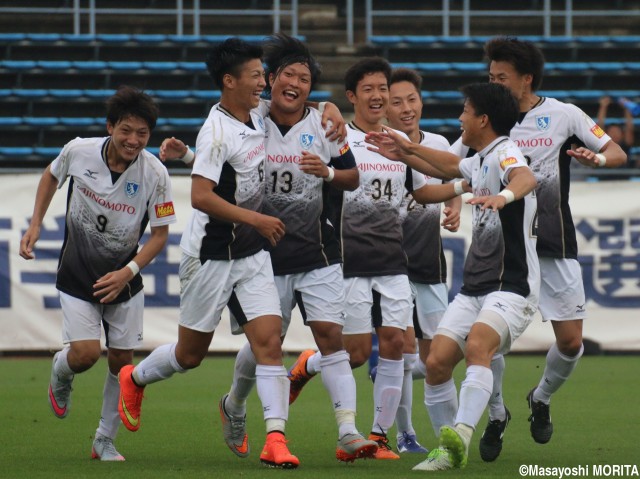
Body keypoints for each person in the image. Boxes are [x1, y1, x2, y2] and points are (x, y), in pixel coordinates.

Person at [116, 38, 301, 469]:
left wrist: (329, 111)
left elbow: (235, 169)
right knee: (190, 356)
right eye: (256, 75)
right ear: (229, 81)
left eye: (263, 73)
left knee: (270, 343)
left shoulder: (255, 114)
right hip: (211, 255)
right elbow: (201, 196)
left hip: (251, 254)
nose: (264, 82)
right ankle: (136, 376)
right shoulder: (216, 130)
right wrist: (256, 219)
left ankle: (275, 439)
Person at [215, 33, 378, 463]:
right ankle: (234, 403)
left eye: (304, 79)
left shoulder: (326, 124)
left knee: (331, 339)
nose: (296, 83)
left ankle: (348, 432)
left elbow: (352, 177)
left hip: (318, 251)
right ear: (269, 80)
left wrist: (326, 171)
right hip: (260, 256)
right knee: (263, 345)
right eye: (288, 74)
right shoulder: (252, 116)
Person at [288, 57, 457, 460]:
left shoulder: (400, 142)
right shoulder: (339, 138)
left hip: (393, 259)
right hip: (348, 261)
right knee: (358, 352)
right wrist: (321, 109)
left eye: (383, 88)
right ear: (352, 97)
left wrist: (460, 189)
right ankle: (308, 365)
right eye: (369, 89)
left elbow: (420, 191)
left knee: (397, 343)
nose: (379, 96)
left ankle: (379, 437)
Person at [366, 81, 540, 471]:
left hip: (512, 285)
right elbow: (444, 166)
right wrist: (406, 150)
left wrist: (504, 196)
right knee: (438, 363)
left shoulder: (506, 151)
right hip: (476, 286)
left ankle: (460, 433)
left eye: (465, 110)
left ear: (482, 119)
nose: (459, 117)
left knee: (479, 346)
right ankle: (448, 450)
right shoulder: (480, 158)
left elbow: (526, 178)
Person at [482, 37, 627, 450]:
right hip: (503, 249)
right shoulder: (486, 119)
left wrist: (596, 159)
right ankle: (496, 414)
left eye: (501, 77)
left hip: (553, 242)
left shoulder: (563, 115)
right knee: (484, 339)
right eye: (490, 76)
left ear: (526, 79)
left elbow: (614, 151)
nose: (493, 83)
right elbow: (455, 162)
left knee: (570, 343)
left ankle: (539, 398)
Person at [19, 86, 176, 462]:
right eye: (126, 130)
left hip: (124, 278)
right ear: (110, 127)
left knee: (123, 365)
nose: (134, 140)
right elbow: (51, 175)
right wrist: (36, 223)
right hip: (78, 272)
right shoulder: (78, 150)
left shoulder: (156, 173)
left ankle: (104, 440)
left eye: (142, 134)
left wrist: (128, 271)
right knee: (86, 355)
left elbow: (160, 235)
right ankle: (61, 369)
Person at [373, 67, 461, 454]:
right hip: (389, 263)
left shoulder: (439, 142)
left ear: (421, 102)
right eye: (396, 102)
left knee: (438, 356)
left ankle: (385, 373)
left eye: (411, 99)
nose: (406, 108)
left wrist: (454, 205)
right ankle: (406, 434)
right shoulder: (374, 146)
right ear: (383, 108)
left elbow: (453, 175)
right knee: (406, 352)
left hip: (429, 264)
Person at [597, 95, 634, 166]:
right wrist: (603, 106)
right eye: (612, 132)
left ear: (622, 135)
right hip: (604, 175)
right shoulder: (604, 145)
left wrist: (627, 107)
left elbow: (629, 128)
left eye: (617, 132)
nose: (614, 134)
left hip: (623, 175)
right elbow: (599, 128)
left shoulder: (625, 144)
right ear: (606, 134)